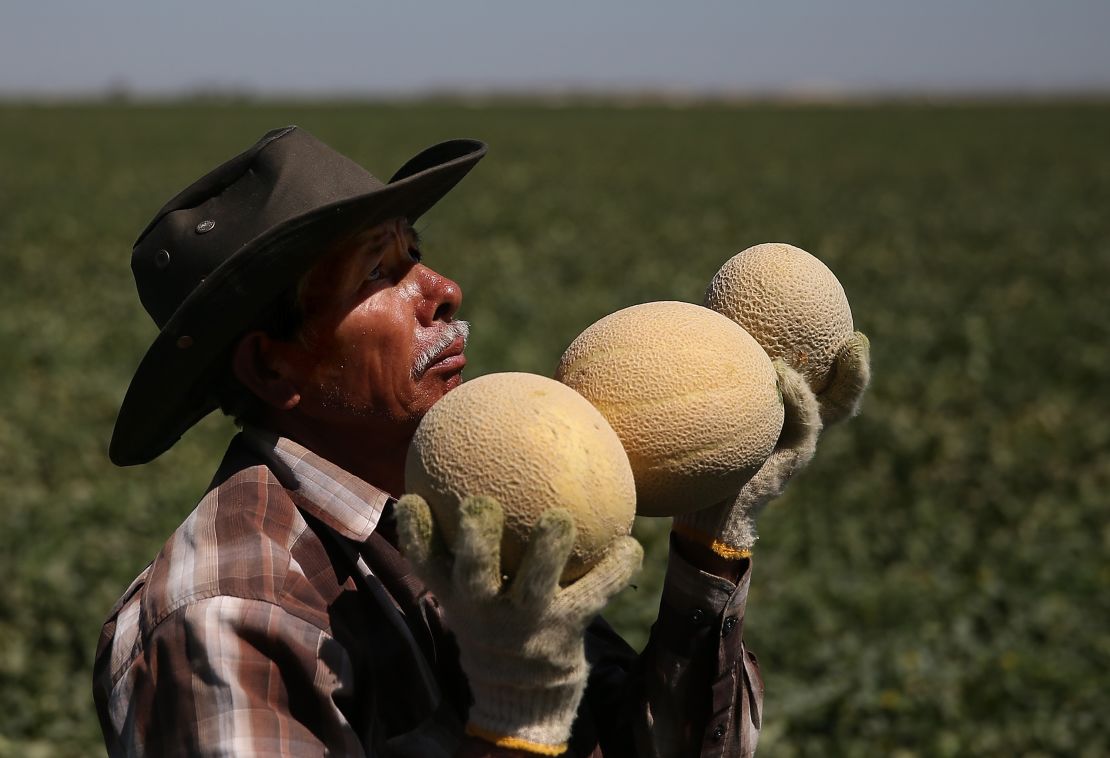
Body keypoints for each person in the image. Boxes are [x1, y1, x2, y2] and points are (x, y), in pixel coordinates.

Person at [93, 126, 870, 757]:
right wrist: (512, 719)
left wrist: (713, 522)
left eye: (415, 252)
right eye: (377, 273)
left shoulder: (481, 503)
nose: (441, 291)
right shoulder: (226, 616)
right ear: (270, 364)